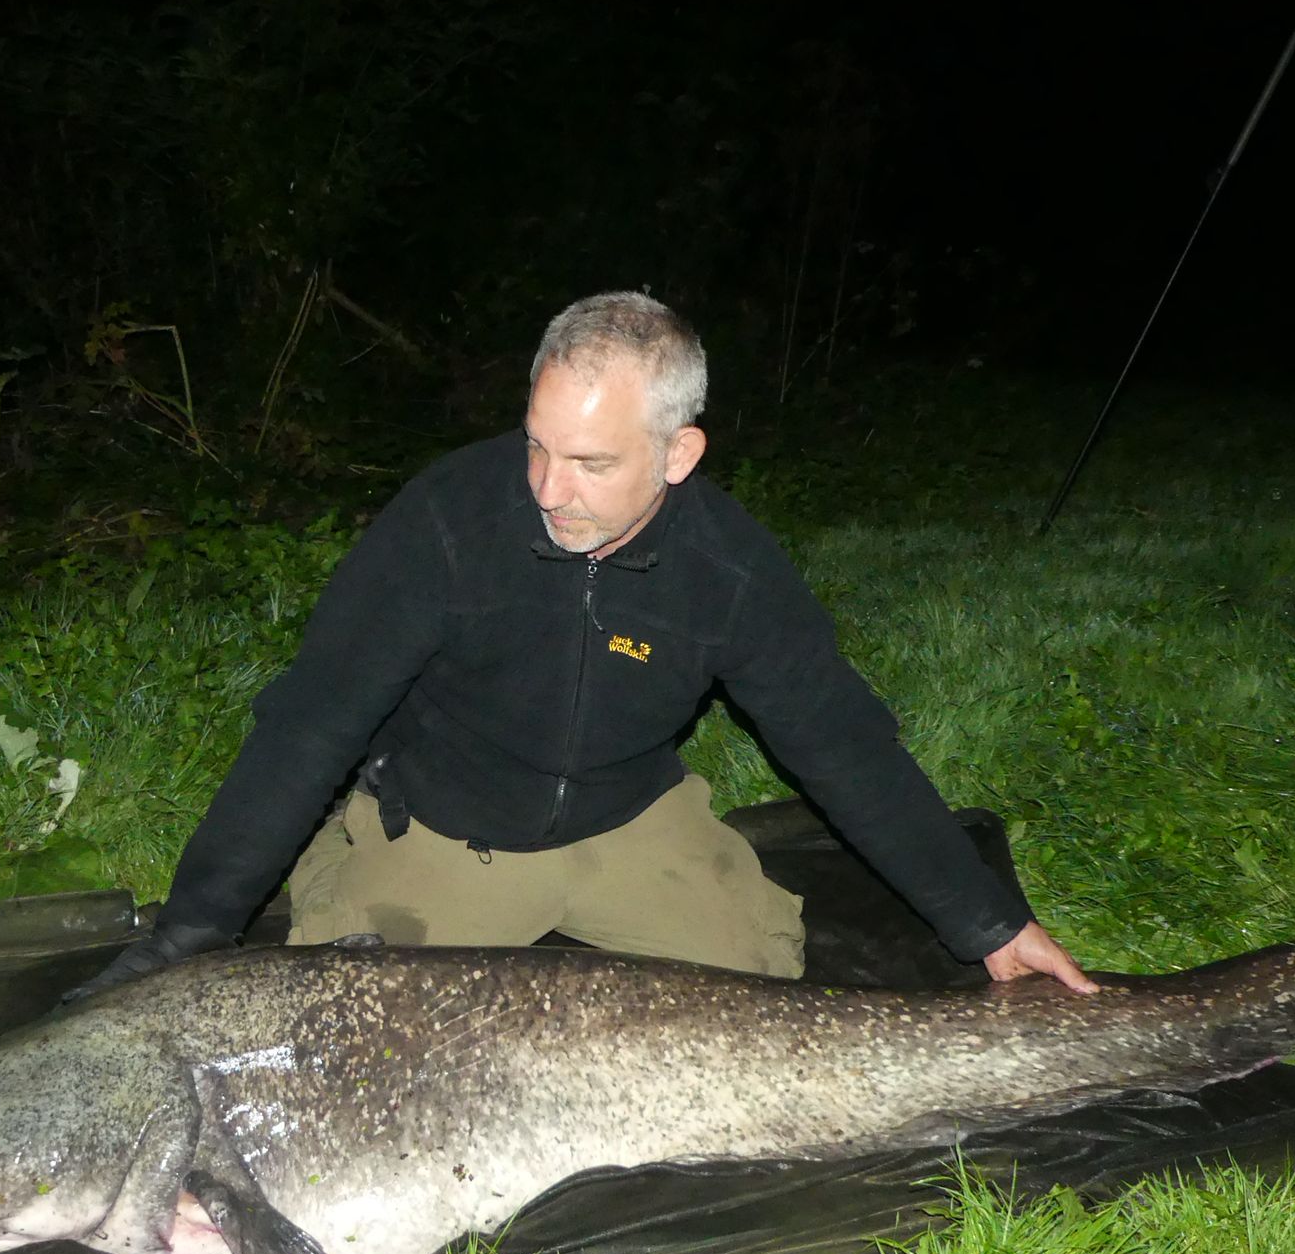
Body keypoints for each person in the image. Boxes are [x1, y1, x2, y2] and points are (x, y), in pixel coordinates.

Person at [69, 291, 1095, 1001]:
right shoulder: (445, 524)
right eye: (536, 446)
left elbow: (840, 742)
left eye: (591, 462)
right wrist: (192, 933)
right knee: (357, 1032)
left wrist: (988, 927)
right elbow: (310, 723)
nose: (548, 489)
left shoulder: (727, 569)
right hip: (448, 822)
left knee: (756, 993)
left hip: (624, 818)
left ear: (676, 453)